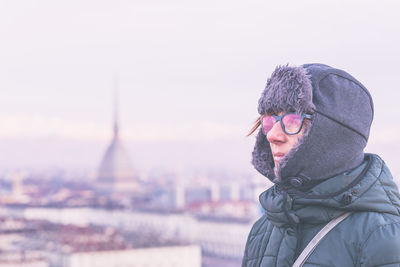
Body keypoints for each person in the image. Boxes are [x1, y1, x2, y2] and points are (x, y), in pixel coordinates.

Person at [242, 64, 400, 267]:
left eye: (291, 120)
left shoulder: (381, 238)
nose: (272, 135)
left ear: (331, 133)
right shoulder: (263, 230)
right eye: (270, 120)